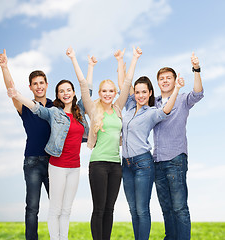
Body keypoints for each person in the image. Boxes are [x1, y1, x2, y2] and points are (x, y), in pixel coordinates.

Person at [66, 46, 142, 240]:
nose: (108, 94)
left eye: (111, 91)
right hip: (98, 164)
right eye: (104, 91)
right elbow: (83, 85)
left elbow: (127, 84)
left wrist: (132, 58)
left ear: (114, 93)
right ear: (99, 93)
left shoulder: (117, 108)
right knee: (99, 209)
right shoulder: (93, 109)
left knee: (110, 209)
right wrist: (77, 59)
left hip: (116, 165)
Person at [117, 50, 184, 239]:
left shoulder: (152, 112)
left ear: (150, 93)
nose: (139, 95)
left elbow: (167, 110)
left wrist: (177, 89)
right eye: (137, 92)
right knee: (132, 210)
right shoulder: (129, 107)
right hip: (126, 165)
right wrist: (123, 60)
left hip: (143, 164)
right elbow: (125, 85)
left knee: (142, 210)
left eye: (143, 92)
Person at [0, 49, 53, 240]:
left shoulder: (55, 106)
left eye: (41, 83)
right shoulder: (25, 105)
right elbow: (12, 91)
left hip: (55, 162)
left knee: (58, 206)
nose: (38, 86)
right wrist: (5, 67)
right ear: (30, 87)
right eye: (35, 84)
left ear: (46, 85)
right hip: (33, 162)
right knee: (32, 207)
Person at [153, 52, 204, 240]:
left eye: (168, 78)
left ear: (175, 81)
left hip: (176, 159)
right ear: (157, 82)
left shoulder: (182, 99)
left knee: (179, 207)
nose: (165, 81)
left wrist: (196, 69)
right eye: (161, 79)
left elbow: (198, 93)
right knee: (166, 208)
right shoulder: (154, 103)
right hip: (157, 161)